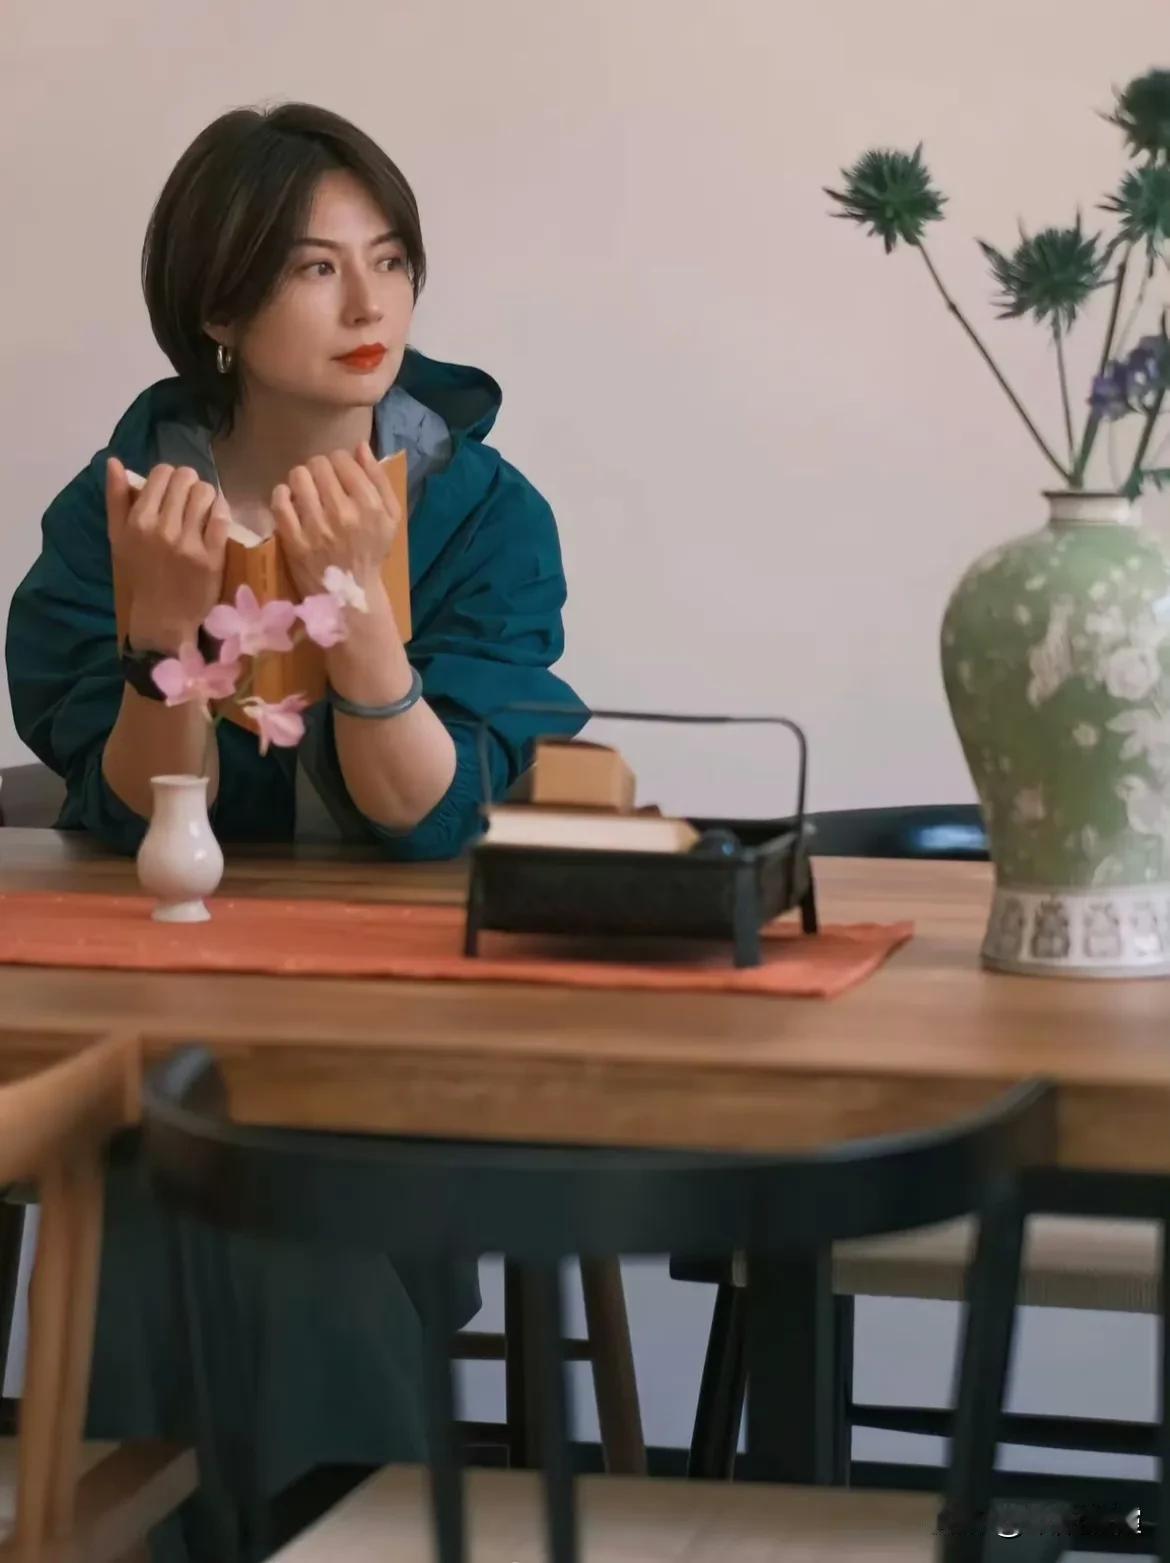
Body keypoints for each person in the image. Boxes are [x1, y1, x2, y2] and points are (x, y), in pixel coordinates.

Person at [5, 101, 584, 1560]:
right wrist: (159, 638)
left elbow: (430, 816)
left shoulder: (484, 514)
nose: (369, 304)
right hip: (166, 1009)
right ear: (219, 307)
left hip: (414, 1029)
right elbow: (135, 810)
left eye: (388, 260)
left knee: (191, 1175)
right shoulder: (120, 515)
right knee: (167, 1151)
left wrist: (366, 626)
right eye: (316, 268)